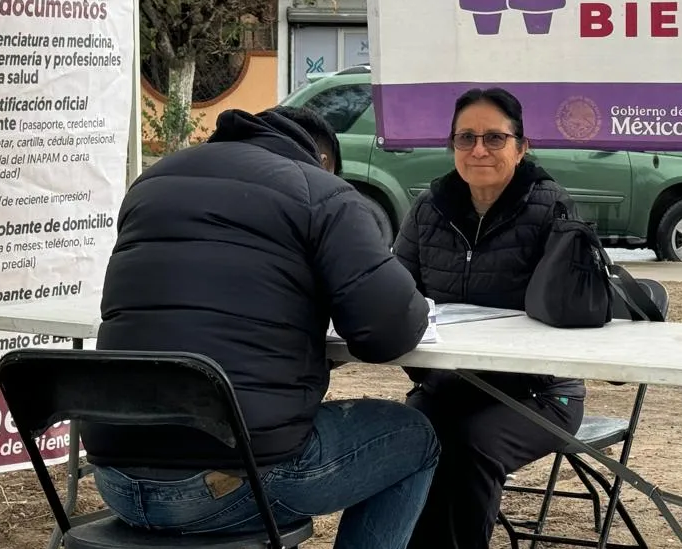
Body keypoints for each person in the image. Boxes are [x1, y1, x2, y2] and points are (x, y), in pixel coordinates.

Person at [83, 105, 439, 549]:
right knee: (414, 436)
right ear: (324, 157)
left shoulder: (153, 182)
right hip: (228, 484)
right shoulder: (320, 190)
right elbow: (388, 331)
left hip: (114, 479)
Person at [393, 87, 585, 549]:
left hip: (540, 393)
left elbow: (571, 312)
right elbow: (395, 293)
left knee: (467, 446)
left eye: (495, 139)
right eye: (466, 138)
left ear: (522, 147)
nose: (479, 150)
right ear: (452, 146)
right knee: (397, 442)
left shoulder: (552, 209)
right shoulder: (428, 208)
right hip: (447, 387)